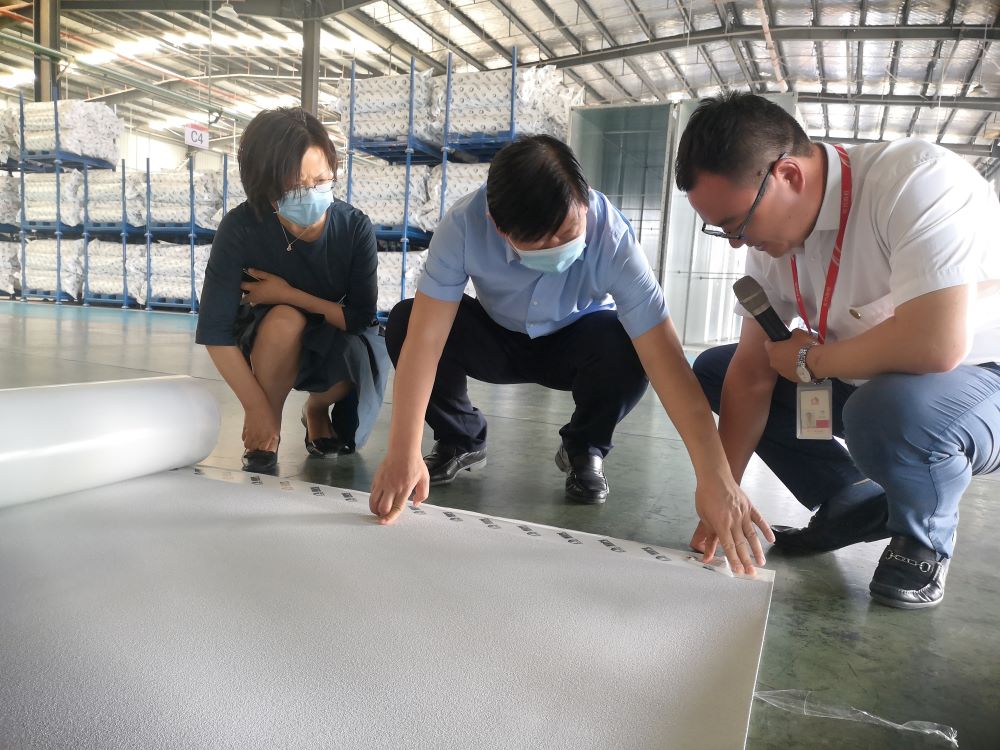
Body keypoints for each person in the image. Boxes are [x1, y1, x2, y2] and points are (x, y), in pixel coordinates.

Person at [368, 134, 774, 576]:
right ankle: (460, 438)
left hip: (575, 342)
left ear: (584, 200)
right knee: (407, 321)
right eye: (540, 243)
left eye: (568, 232)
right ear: (500, 227)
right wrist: (402, 450)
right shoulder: (464, 225)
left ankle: (584, 447)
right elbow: (426, 340)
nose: (559, 246)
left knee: (630, 346)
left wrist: (716, 479)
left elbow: (668, 361)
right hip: (497, 336)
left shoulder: (613, 237)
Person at [676, 92, 1000, 609]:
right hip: (869, 384)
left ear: (788, 175)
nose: (736, 242)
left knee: (887, 409)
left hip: (978, 382)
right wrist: (723, 491)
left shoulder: (914, 182)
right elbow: (752, 373)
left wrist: (813, 361)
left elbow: (936, 343)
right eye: (722, 230)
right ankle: (848, 497)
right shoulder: (771, 241)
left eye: (738, 223)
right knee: (717, 369)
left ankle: (923, 538)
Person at [196, 107, 388, 474]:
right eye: (297, 186)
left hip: (334, 335)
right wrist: (256, 408)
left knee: (360, 355)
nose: (312, 193)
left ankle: (316, 408)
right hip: (270, 342)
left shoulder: (354, 229)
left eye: (322, 179)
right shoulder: (240, 228)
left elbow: (360, 318)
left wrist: (288, 294)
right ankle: (269, 425)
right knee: (285, 320)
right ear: (264, 184)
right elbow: (215, 331)